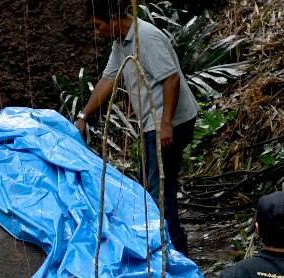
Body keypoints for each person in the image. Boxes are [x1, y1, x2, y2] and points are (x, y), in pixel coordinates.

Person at [77, 0, 199, 257]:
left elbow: (171, 78)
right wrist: (83, 115)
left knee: (158, 192)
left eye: (98, 26)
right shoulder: (121, 43)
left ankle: (173, 256)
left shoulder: (146, 37)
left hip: (170, 123)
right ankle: (174, 247)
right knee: (151, 187)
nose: (97, 32)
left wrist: (165, 124)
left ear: (112, 20)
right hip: (154, 124)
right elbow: (109, 79)